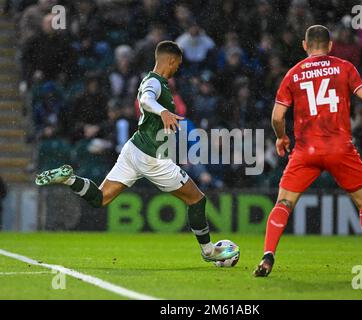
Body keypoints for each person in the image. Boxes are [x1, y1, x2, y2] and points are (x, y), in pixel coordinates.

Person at [35, 41, 238, 264]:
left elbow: (145, 99)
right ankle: (209, 252)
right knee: (197, 200)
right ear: (170, 60)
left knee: (100, 198)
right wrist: (164, 112)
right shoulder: (155, 82)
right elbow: (145, 100)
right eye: (177, 64)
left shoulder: (147, 80)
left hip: (134, 149)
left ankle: (69, 179)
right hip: (153, 158)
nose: (177, 69)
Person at [254, 25, 362, 278]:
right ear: (330, 45)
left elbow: (277, 116)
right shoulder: (344, 67)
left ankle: (268, 255)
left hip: (306, 151)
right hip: (340, 148)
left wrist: (281, 137)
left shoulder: (293, 74)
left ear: (305, 45)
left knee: (284, 202)